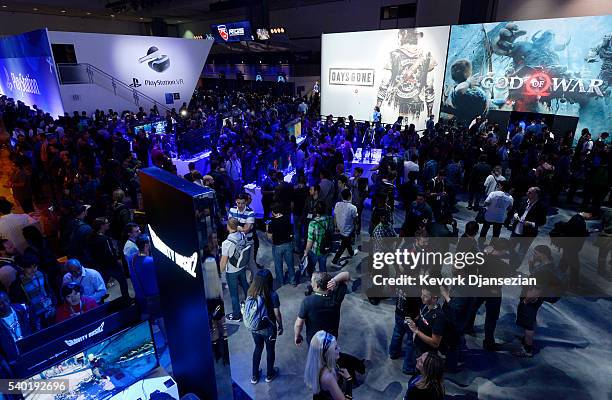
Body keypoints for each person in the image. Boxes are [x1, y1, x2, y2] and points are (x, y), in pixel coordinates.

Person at [514, 245, 562, 358]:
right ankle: (526, 340)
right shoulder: (547, 264)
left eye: (535, 253)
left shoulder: (544, 271)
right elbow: (534, 274)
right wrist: (531, 265)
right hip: (536, 297)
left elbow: (536, 290)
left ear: (542, 254)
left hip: (532, 298)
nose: (533, 255)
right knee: (530, 318)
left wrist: (525, 301)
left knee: (528, 323)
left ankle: (527, 349)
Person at [294, 271, 350, 346]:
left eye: (312, 282)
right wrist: (334, 280)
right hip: (331, 340)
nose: (311, 284)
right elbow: (346, 275)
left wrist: (297, 336)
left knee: (315, 357)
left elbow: (298, 324)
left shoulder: (308, 301)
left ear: (317, 286)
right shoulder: (335, 298)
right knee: (330, 356)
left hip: (314, 341)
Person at [247, 269, 282, 384]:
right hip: (269, 328)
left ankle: (254, 376)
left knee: (257, 348)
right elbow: (277, 313)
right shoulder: (273, 295)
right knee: (270, 350)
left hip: (255, 328)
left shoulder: (251, 292)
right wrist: (280, 325)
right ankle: (269, 375)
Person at [88, 217, 130, 298]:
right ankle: (126, 298)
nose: (109, 224)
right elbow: (111, 253)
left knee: (101, 285)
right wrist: (117, 262)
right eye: (107, 223)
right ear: (101, 226)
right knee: (122, 281)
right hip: (112, 265)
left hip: (100, 266)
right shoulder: (104, 239)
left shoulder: (90, 238)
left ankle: (99, 302)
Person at [304, 330, 352, 400]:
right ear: (327, 354)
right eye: (335, 348)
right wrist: (349, 379)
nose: (339, 349)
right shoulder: (328, 377)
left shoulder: (316, 365)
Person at [9, 259, 55, 330]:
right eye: (30, 267)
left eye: (35, 266)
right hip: (34, 314)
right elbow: (16, 301)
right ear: (23, 268)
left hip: (48, 308)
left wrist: (53, 303)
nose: (33, 270)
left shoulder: (41, 274)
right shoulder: (18, 284)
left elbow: (48, 289)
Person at [220, 218, 251, 322]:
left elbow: (224, 261)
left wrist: (220, 272)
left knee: (234, 294)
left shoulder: (226, 243)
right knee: (245, 285)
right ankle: (249, 306)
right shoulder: (242, 235)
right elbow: (240, 229)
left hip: (232, 271)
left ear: (228, 227)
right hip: (241, 266)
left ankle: (236, 315)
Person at [510, 187, 547, 268]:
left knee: (521, 252)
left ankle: (514, 268)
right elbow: (517, 209)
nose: (527, 193)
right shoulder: (524, 199)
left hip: (528, 234)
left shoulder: (541, 206)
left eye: (530, 192)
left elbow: (542, 222)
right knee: (510, 248)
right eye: (527, 191)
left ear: (536, 194)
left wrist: (531, 224)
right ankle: (510, 264)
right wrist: (515, 214)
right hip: (516, 230)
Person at [129, 234, 160, 319]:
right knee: (160, 318)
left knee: (145, 315)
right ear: (146, 245)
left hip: (140, 294)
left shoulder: (133, 258)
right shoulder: (151, 261)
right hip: (153, 295)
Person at [267, 204, 296, 287]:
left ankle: (281, 282)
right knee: (290, 264)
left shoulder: (271, 222)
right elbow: (291, 231)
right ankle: (293, 281)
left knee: (278, 265)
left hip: (277, 246)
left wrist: (267, 228)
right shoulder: (287, 218)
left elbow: (269, 236)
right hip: (288, 245)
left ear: (273, 212)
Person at [228, 193, 257, 275]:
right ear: (235, 202)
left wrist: (235, 226)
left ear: (246, 202)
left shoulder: (250, 212)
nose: (240, 205)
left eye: (243, 203)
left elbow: (246, 230)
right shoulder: (232, 210)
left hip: (248, 242)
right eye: (238, 203)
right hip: (235, 242)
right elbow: (229, 225)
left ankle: (256, 283)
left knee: (251, 263)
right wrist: (240, 227)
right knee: (237, 264)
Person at [304, 202, 334, 273]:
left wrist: (306, 251)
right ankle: (323, 282)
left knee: (311, 267)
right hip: (325, 247)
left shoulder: (313, 223)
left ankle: (313, 280)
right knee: (323, 267)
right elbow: (331, 231)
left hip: (315, 249)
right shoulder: (330, 218)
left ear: (315, 210)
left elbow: (310, 240)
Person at [0, 290, 30, 359]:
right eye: (0, 303)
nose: (5, 304)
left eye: (6, 300)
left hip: (31, 348)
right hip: (15, 358)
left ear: (9, 299)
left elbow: (36, 326)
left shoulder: (22, 310)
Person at [331, 189, 358, 266]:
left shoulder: (337, 204)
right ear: (350, 196)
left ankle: (351, 253)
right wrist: (356, 227)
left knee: (347, 242)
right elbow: (355, 219)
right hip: (348, 230)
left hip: (339, 228)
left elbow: (335, 216)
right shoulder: (353, 207)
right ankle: (334, 261)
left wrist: (336, 226)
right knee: (343, 245)